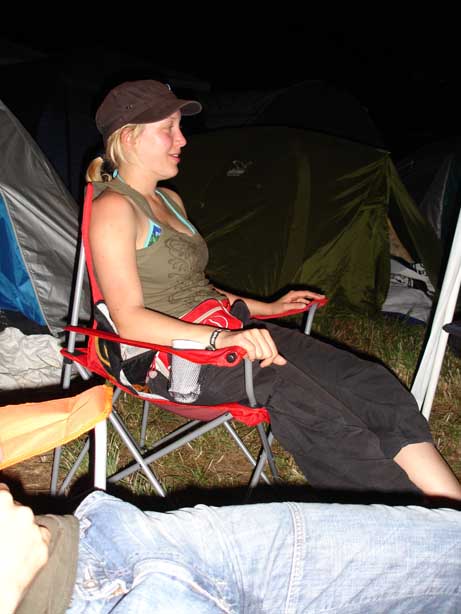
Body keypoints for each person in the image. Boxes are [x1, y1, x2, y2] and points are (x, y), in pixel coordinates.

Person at [86, 79, 461, 502]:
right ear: (129, 137)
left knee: (367, 382)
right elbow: (129, 319)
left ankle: (450, 508)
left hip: (225, 333)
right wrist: (221, 338)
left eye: (179, 127)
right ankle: (414, 521)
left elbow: (197, 289)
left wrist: (267, 306)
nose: (182, 139)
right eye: (167, 129)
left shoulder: (171, 200)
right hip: (176, 359)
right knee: (316, 407)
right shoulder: (114, 209)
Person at [2, 481, 461, 613]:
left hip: (114, 538)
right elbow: (132, 316)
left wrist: (256, 309)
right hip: (89, 600)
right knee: (302, 387)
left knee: (447, 548)